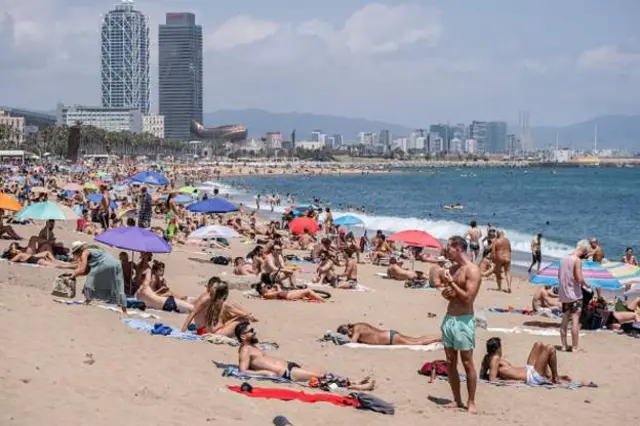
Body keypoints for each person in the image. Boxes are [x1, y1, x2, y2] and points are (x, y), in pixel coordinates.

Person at [236, 322, 374, 389]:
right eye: (250, 331)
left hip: (290, 367)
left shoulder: (251, 346)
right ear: (243, 336)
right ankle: (357, 385)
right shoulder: (245, 351)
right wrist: (265, 373)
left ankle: (354, 382)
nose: (254, 332)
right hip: (287, 372)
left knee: (323, 373)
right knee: (322, 377)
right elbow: (243, 371)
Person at [440, 235, 481, 414]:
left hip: (464, 320)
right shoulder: (453, 269)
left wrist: (451, 284)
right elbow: (450, 293)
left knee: (467, 362)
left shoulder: (472, 270)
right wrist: (447, 292)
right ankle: (457, 400)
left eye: (449, 247)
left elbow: (468, 298)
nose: (446, 250)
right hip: (449, 318)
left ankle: (471, 402)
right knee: (450, 362)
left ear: (458, 248)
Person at [181, 277, 256, 335]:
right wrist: (183, 331)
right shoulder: (206, 298)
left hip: (208, 328)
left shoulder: (214, 299)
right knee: (243, 319)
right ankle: (243, 333)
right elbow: (193, 312)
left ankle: (245, 328)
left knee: (234, 309)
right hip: (204, 331)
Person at [480, 338, 572, 386]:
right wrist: (513, 382)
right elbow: (493, 380)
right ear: (498, 349)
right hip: (531, 377)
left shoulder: (488, 358)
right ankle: (555, 378)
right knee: (550, 348)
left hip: (529, 370)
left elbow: (482, 375)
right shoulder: (495, 358)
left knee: (538, 344)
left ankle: (549, 376)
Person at [69, 241, 127, 313]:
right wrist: (75, 274)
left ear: (78, 251)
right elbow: (85, 271)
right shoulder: (95, 251)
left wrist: (73, 276)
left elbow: (82, 270)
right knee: (119, 286)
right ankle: (124, 310)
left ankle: (87, 300)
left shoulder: (85, 253)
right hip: (117, 263)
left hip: (105, 264)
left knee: (90, 279)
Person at [558, 240, 590, 352]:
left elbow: (559, 276)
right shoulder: (577, 260)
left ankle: (563, 345)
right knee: (575, 320)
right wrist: (587, 284)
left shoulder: (563, 259)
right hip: (575, 295)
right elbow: (579, 278)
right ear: (583, 251)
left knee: (565, 320)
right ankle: (575, 347)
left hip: (564, 294)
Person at [337, 322, 440, 346]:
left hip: (389, 338)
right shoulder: (359, 325)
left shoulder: (356, 329)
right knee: (416, 339)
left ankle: (437, 340)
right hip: (389, 334)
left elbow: (353, 342)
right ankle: (438, 337)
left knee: (417, 343)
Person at [2, 242, 74, 268]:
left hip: (37, 260)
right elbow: (11, 261)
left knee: (56, 265)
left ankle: (71, 266)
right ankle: (72, 266)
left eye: (16, 248)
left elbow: (11, 260)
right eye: (14, 249)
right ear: (12, 252)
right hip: (37, 260)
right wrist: (7, 254)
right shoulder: (19, 255)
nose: (17, 250)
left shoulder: (20, 254)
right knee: (56, 265)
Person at [256, 282, 326, 302]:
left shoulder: (267, 292)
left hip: (288, 293)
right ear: (260, 290)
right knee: (308, 291)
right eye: (264, 287)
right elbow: (278, 293)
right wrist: (278, 287)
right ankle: (323, 300)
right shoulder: (266, 295)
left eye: (265, 285)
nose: (266, 287)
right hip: (288, 295)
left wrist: (274, 287)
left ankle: (319, 299)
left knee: (306, 293)